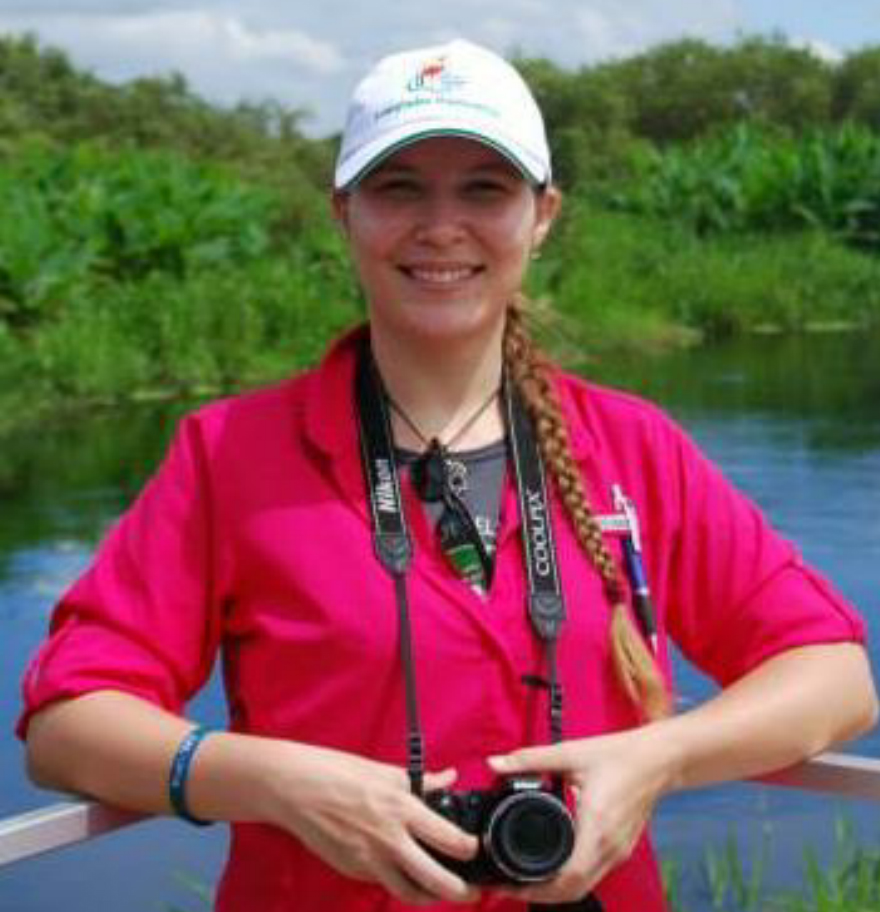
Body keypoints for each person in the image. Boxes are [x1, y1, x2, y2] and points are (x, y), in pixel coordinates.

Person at [17, 38, 877, 912]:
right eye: (399, 189)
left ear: (542, 215)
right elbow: (67, 722)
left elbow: (833, 676)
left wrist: (660, 758)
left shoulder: (631, 447)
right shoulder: (231, 453)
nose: (440, 226)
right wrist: (274, 782)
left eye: (484, 190)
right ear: (344, 213)